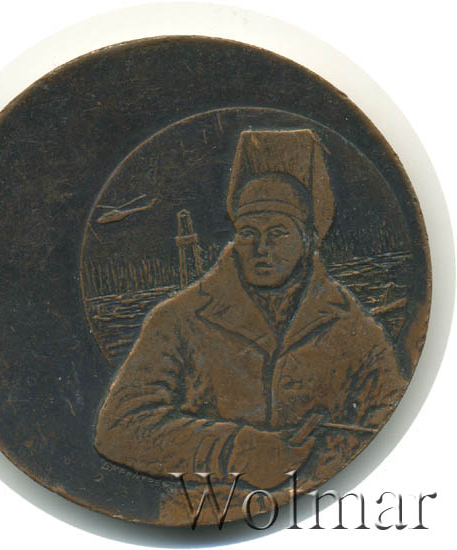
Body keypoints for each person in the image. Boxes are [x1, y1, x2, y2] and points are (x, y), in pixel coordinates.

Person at [94, 129, 406, 498]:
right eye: (247, 233)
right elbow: (119, 428)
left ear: (308, 241)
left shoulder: (354, 328)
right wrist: (239, 451)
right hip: (200, 514)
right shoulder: (177, 319)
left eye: (278, 233)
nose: (261, 248)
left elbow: (395, 426)